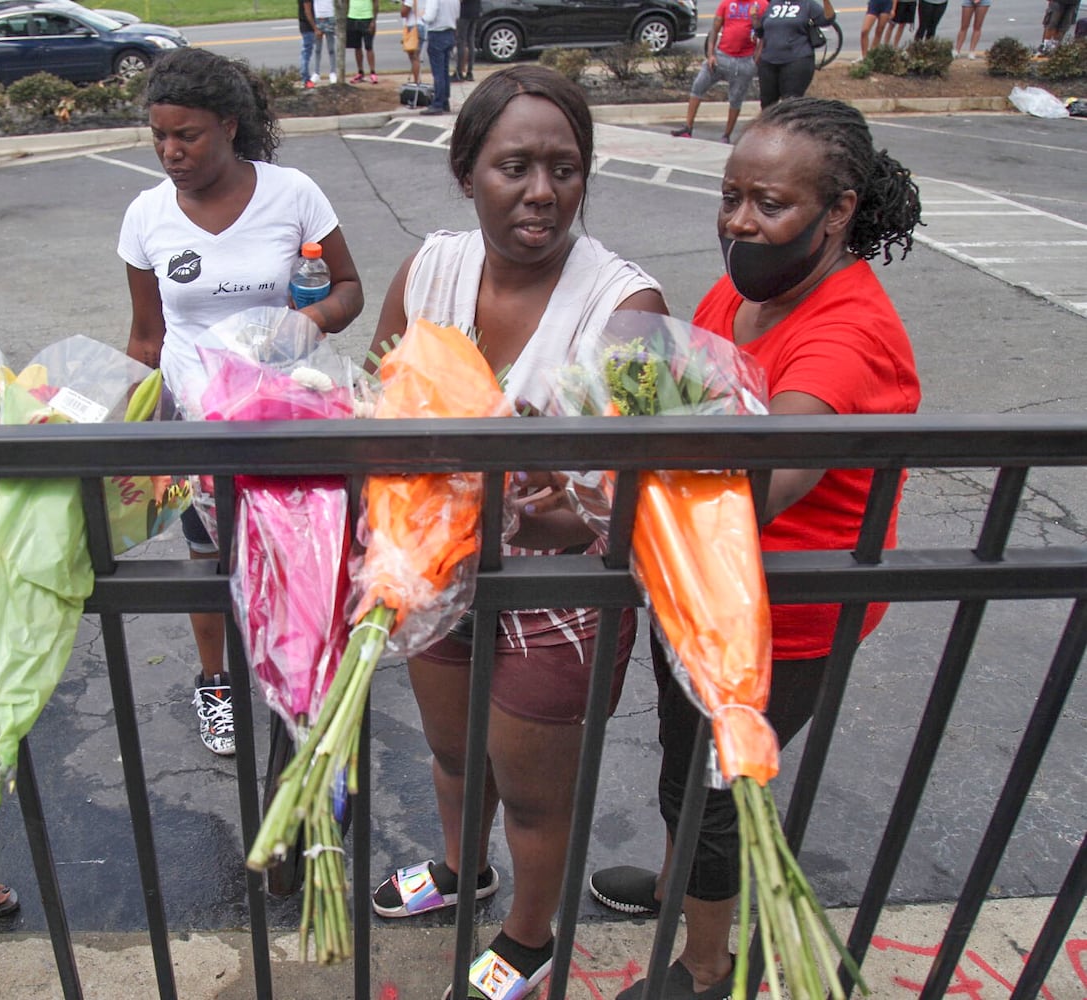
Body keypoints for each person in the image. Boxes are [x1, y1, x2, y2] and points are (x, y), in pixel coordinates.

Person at [589, 97, 922, 1000]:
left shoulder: (845, 334)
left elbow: (756, 489)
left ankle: (703, 968)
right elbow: (689, 400)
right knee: (680, 760)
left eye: (768, 203)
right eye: (731, 194)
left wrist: (613, 484)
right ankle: (675, 892)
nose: (740, 219)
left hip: (780, 617)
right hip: (698, 585)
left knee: (707, 793)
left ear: (838, 210)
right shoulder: (745, 291)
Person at [366, 65, 667, 999]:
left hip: (559, 590)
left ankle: (529, 935)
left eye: (564, 169)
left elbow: (642, 489)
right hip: (436, 560)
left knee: (535, 791)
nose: (542, 192)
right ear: (465, 174)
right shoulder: (431, 269)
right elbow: (377, 389)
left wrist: (559, 507)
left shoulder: (625, 307)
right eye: (514, 167)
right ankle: (463, 870)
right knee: (454, 754)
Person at [118, 48, 364, 756]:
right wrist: (133, 430)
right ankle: (216, 684)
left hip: (287, 410)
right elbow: (144, 336)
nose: (170, 151)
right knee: (207, 558)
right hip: (198, 422)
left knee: (297, 552)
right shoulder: (145, 216)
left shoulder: (292, 196)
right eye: (159, 135)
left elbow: (346, 288)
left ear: (228, 126)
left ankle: (304, 678)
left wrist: (305, 322)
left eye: (185, 135)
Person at [671, 0, 762, 143]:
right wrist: (711, 54)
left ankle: (726, 135)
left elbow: (764, 34)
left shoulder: (760, 5)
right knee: (698, 86)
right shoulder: (726, 4)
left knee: (735, 99)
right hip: (721, 56)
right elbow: (714, 29)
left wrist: (755, 61)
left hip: (744, 61)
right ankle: (688, 127)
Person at [754, 0, 835, 108]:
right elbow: (761, 32)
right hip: (769, 60)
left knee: (790, 104)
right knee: (767, 104)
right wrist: (755, 18)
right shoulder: (774, 4)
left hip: (797, 59)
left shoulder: (807, 4)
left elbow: (827, 19)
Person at [422, 0, 459, 115]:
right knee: (444, 70)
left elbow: (430, 16)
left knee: (438, 72)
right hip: (450, 32)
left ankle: (437, 103)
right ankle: (444, 100)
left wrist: (422, 16)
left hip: (437, 33)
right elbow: (457, 14)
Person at [348, 0, 380, 83]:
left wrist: (373, 20)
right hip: (353, 18)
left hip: (367, 18)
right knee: (357, 47)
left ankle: (372, 72)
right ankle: (360, 72)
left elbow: (376, 2)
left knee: (369, 47)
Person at [311, 0, 339, 84]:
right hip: (318, 18)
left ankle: (333, 72)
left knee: (331, 49)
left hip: (330, 17)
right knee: (317, 49)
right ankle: (316, 73)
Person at [401, 0, 425, 85]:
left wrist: (403, 3)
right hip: (421, 24)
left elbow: (404, 13)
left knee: (414, 57)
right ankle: (417, 79)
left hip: (413, 26)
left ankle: (416, 81)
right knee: (415, 56)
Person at [455, 0, 479, 80]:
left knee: (461, 42)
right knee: (471, 42)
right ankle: (469, 72)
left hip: (464, 13)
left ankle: (459, 72)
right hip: (475, 11)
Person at [299, 0, 318, 87]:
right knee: (306, 52)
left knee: (306, 52)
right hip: (307, 27)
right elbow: (308, 12)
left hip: (305, 26)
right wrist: (315, 27)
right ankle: (305, 78)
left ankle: (305, 78)